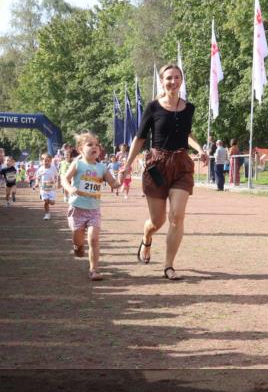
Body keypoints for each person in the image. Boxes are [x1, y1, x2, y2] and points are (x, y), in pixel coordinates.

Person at [120, 63, 208, 280]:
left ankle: (169, 265)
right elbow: (140, 138)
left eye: (177, 77)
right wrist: (127, 164)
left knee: (177, 215)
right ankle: (147, 237)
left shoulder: (189, 108)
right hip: (157, 166)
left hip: (181, 165)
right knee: (157, 222)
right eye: (169, 78)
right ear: (162, 81)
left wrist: (200, 149)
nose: (173, 81)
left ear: (181, 80)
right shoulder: (153, 108)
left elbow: (187, 134)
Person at [62, 132, 121, 281]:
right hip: (77, 208)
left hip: (94, 210)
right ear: (80, 149)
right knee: (78, 239)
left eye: (96, 145)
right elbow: (64, 179)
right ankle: (78, 246)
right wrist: (70, 188)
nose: (94, 147)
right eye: (90, 145)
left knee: (94, 239)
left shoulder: (102, 167)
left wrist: (121, 178)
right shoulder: (77, 163)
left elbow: (113, 184)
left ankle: (94, 270)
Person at [37, 153, 58, 221]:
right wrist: (37, 183)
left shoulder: (53, 168)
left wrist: (57, 182)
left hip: (52, 188)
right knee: (46, 201)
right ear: (42, 161)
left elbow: (57, 176)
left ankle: (48, 199)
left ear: (51, 161)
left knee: (52, 203)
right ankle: (47, 213)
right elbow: (37, 177)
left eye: (48, 161)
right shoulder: (40, 169)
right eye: (45, 161)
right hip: (43, 188)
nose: (47, 162)